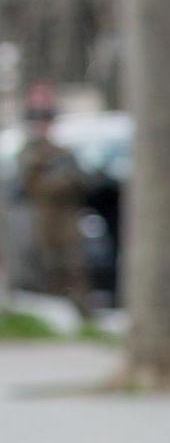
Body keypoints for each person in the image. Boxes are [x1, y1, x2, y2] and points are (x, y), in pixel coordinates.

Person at [16, 93, 91, 314]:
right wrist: (56, 182)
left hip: (66, 217)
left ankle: (80, 311)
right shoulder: (29, 155)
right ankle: (54, 312)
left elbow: (78, 181)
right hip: (42, 218)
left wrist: (61, 182)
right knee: (48, 268)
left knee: (74, 267)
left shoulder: (63, 153)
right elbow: (33, 187)